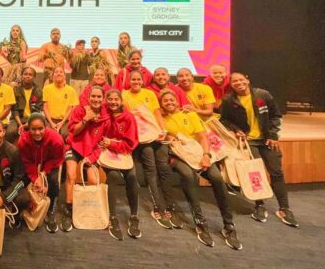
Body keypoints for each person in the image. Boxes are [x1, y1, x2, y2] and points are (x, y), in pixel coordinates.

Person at [159, 90, 242, 250]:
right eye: (165, 101)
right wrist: (169, 137)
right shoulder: (161, 119)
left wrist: (206, 155)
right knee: (188, 176)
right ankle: (200, 222)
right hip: (177, 156)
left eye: (171, 99)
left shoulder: (190, 115)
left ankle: (228, 224)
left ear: (177, 101)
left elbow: (203, 137)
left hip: (197, 153)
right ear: (161, 104)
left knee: (217, 178)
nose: (169, 102)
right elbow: (162, 136)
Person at [220, 72, 298, 227]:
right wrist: (235, 129)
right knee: (255, 173)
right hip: (249, 142)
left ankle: (284, 208)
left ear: (247, 80)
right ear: (231, 85)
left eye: (241, 79)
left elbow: (275, 115)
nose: (238, 83)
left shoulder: (263, 94)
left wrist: (274, 135)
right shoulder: (228, 100)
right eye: (234, 81)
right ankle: (259, 205)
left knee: (276, 172)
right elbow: (224, 119)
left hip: (267, 139)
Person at [122, 71, 181, 229]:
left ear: (142, 81)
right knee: (151, 169)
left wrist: (163, 130)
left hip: (156, 134)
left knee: (164, 168)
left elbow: (156, 113)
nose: (136, 81)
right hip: (141, 138)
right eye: (133, 79)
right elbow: (127, 117)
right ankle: (158, 206)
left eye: (138, 79)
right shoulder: (124, 94)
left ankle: (170, 206)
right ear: (129, 81)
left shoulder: (149, 93)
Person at [61, 86, 109, 232]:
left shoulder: (106, 117)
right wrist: (85, 120)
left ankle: (85, 207)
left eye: (99, 97)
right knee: (71, 175)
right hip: (74, 147)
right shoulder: (80, 110)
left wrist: (92, 157)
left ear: (103, 99)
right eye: (93, 96)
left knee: (94, 181)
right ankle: (68, 208)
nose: (96, 99)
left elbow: (103, 144)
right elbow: (73, 132)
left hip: (91, 153)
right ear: (88, 98)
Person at [16, 113, 64, 233]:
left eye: (40, 128)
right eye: (33, 129)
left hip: (49, 162)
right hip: (31, 162)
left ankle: (51, 210)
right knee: (19, 181)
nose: (37, 133)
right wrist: (35, 178)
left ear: (46, 127)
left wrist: (43, 175)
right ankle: (22, 208)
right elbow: (26, 162)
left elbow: (56, 160)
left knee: (53, 181)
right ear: (29, 129)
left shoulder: (56, 139)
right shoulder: (23, 141)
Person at [102, 89, 141, 240]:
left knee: (131, 177)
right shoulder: (104, 114)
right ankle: (112, 216)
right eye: (110, 99)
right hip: (105, 154)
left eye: (115, 99)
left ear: (121, 101)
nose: (113, 102)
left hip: (123, 153)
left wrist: (112, 143)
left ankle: (134, 215)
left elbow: (130, 143)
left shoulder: (128, 118)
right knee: (112, 176)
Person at [6, 67, 43, 143]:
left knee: (37, 131)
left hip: (32, 118)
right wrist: (20, 124)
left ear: (34, 77)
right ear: (22, 76)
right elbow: (14, 109)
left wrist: (28, 123)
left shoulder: (38, 91)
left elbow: (37, 110)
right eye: (25, 74)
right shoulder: (16, 89)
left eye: (30, 74)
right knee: (10, 132)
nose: (27, 76)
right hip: (17, 119)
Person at [42, 67, 79, 140]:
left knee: (65, 134)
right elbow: (45, 107)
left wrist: (61, 123)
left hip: (64, 121)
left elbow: (70, 109)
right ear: (53, 76)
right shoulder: (47, 89)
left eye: (61, 72)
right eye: (56, 72)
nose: (58, 73)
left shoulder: (71, 90)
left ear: (65, 76)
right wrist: (52, 123)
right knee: (48, 133)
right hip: (49, 120)